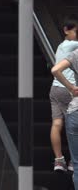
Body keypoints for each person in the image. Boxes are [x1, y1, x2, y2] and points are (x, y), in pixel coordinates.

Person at [49, 19, 78, 172]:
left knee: (57, 124)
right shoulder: (73, 45)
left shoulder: (60, 46)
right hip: (68, 90)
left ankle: (59, 160)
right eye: (76, 31)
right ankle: (74, 162)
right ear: (66, 30)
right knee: (73, 125)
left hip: (54, 89)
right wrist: (71, 87)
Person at [52, 48, 78, 189]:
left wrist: (72, 88)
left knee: (77, 164)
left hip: (75, 111)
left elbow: (55, 70)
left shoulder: (76, 53)